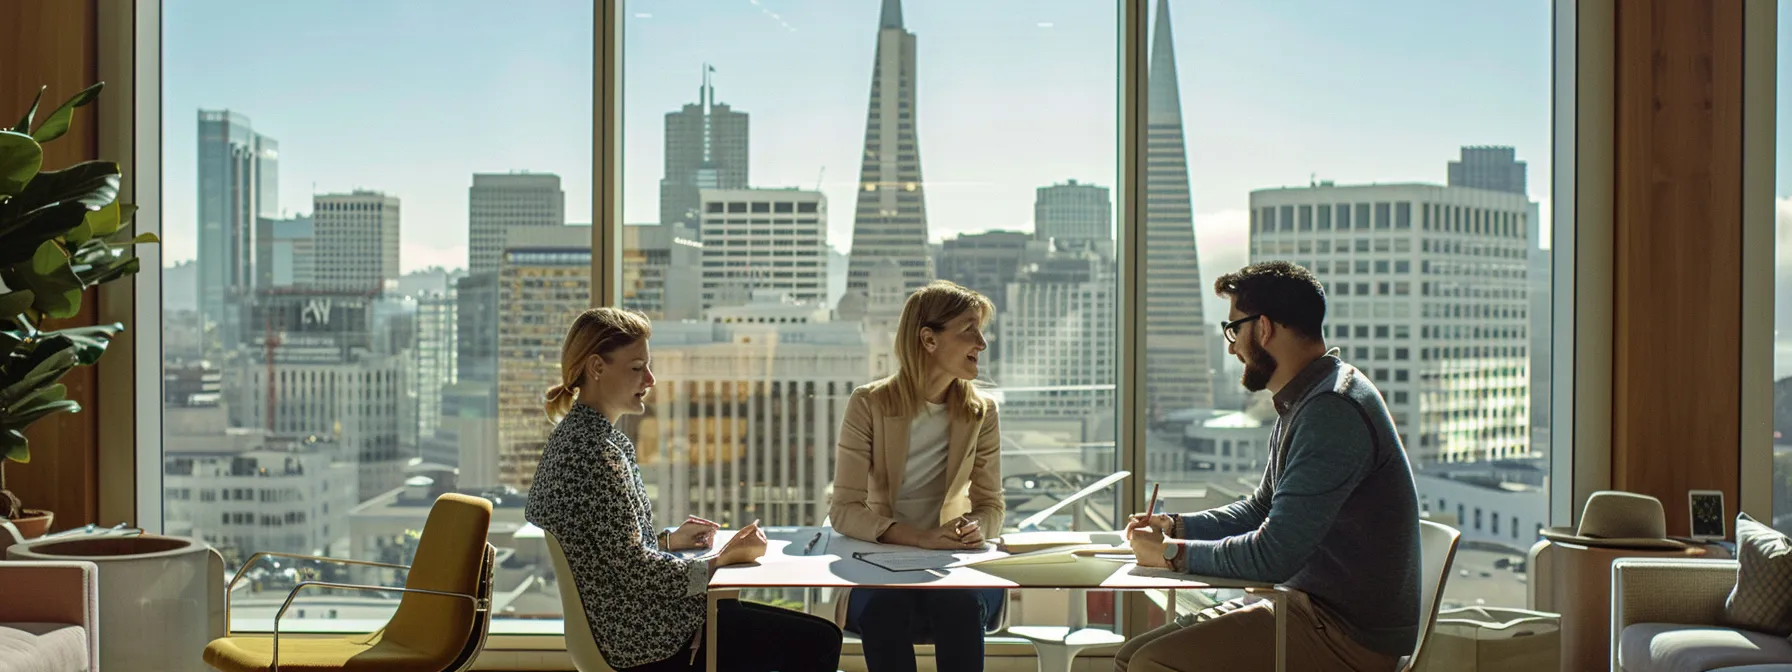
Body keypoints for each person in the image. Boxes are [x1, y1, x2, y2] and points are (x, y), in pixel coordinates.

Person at [1117, 262, 1421, 672]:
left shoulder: (1331, 411)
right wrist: (1176, 527)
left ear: (1263, 328)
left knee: (1149, 664)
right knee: (1129, 656)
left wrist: (1170, 554)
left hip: (1344, 638)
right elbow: (1262, 509)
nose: (1230, 347)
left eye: (1233, 330)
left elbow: (1272, 556)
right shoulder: (1309, 398)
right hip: (1304, 610)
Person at [525, 307, 842, 672]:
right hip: (645, 637)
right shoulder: (596, 454)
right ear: (597, 368)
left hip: (625, 625)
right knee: (821, 641)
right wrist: (720, 561)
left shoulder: (577, 439)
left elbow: (606, 550)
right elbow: (634, 569)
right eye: (636, 368)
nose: (651, 378)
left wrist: (669, 542)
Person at [829, 280, 1006, 672]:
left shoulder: (982, 413)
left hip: (957, 569)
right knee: (884, 609)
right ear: (928, 339)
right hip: (879, 566)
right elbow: (844, 509)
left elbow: (991, 506)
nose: (982, 343)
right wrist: (922, 539)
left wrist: (974, 527)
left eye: (981, 330)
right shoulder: (869, 404)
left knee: (958, 604)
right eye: (969, 330)